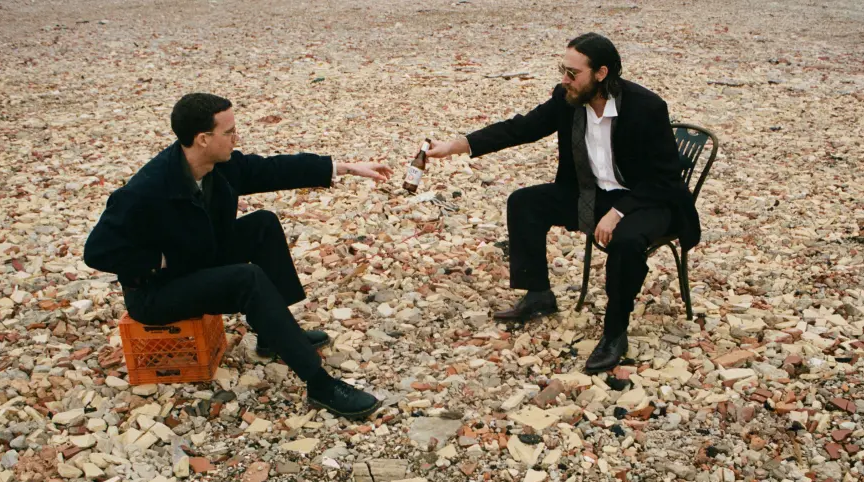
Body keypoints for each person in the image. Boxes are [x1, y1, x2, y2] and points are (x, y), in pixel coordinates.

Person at [84, 93, 392, 419]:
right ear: (203, 139)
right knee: (248, 279)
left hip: (194, 260)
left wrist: (345, 168)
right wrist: (161, 260)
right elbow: (97, 252)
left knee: (262, 225)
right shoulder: (146, 189)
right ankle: (320, 385)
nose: (237, 138)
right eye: (229, 132)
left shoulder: (220, 166)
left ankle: (273, 335)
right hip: (155, 293)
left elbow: (274, 169)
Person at [427, 33, 699, 373]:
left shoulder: (646, 107)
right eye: (563, 70)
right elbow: (521, 129)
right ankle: (538, 294)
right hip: (593, 194)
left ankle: (615, 333)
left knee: (627, 241)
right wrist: (457, 145)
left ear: (601, 73)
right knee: (525, 203)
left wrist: (618, 213)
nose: (565, 80)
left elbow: (666, 178)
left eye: (573, 73)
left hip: (651, 200)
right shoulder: (568, 98)